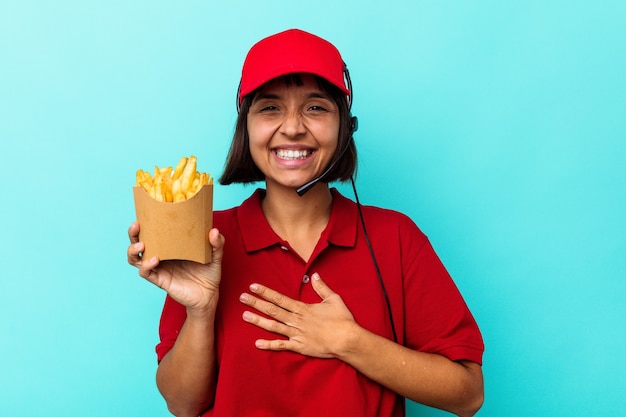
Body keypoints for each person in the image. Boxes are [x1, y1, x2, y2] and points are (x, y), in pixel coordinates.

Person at [128, 28, 484, 417]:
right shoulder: (208, 237)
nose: (294, 127)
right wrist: (200, 311)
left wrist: (350, 341)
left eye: (315, 107)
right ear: (245, 128)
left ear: (346, 126)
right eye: (270, 108)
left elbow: (467, 394)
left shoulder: (395, 237)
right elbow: (182, 405)